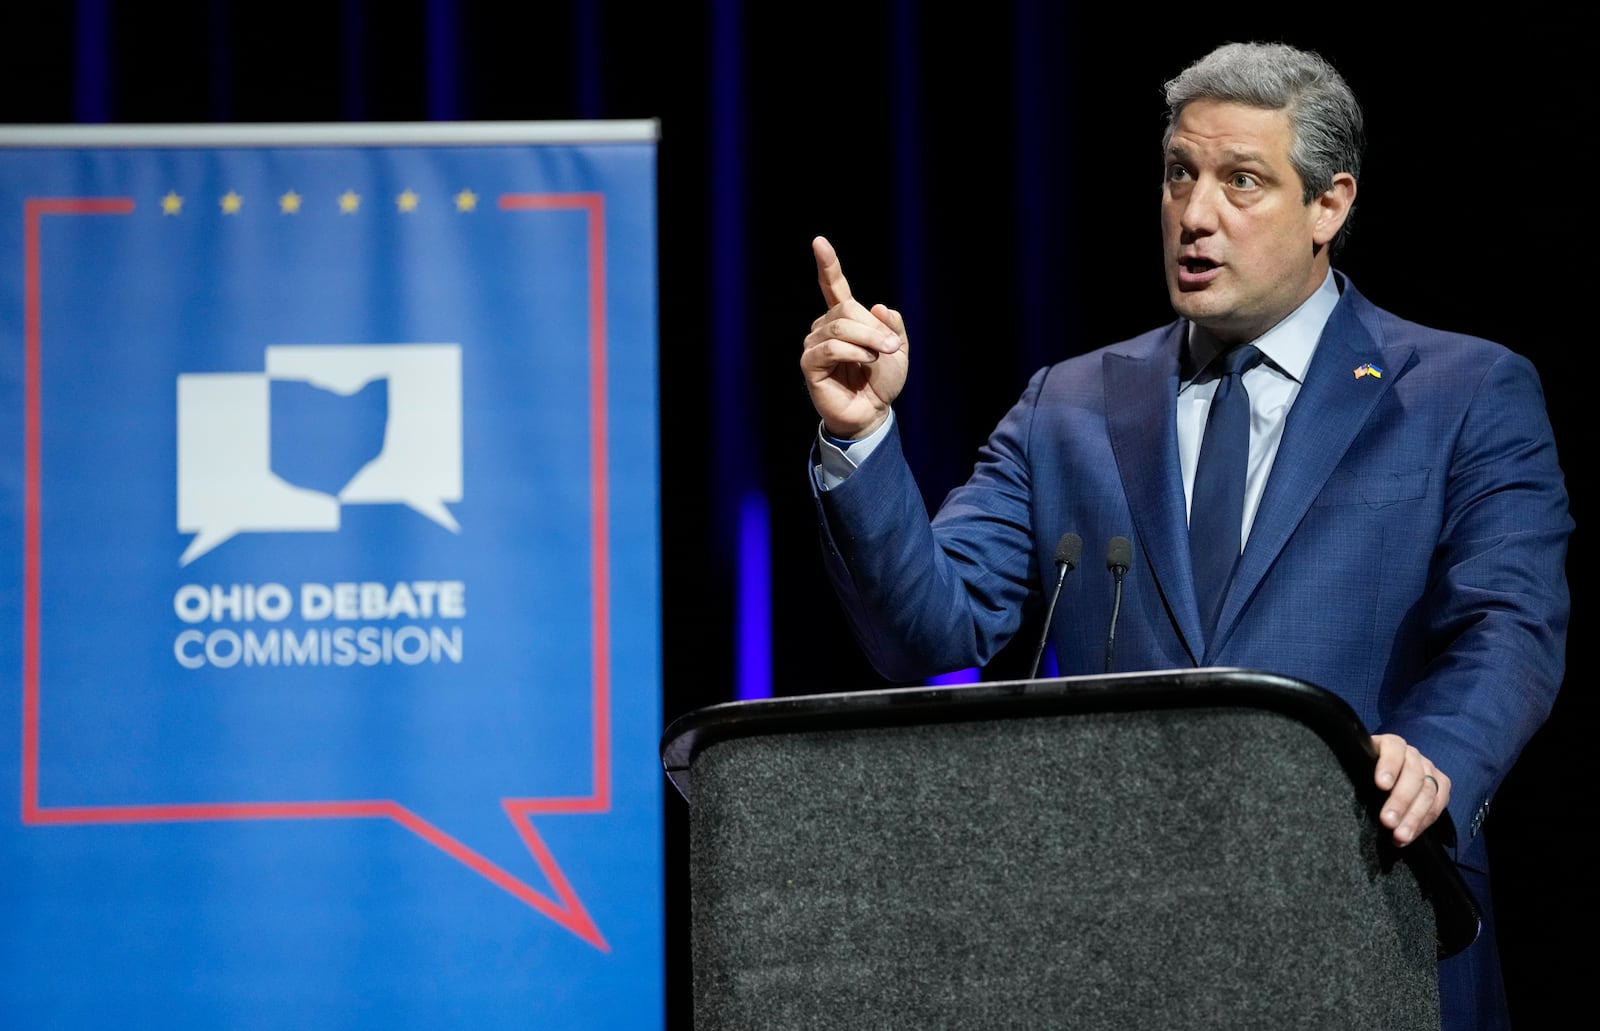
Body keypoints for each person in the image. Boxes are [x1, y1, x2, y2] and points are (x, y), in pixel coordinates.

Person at [800, 41, 1570, 1030]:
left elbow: (1509, 622)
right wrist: (861, 437)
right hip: (1123, 945)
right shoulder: (1068, 406)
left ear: (1327, 205)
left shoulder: (1462, 393)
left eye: (1240, 181)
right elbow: (933, 636)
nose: (1194, 215)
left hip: (1367, 913)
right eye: (1178, 175)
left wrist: (1437, 754)